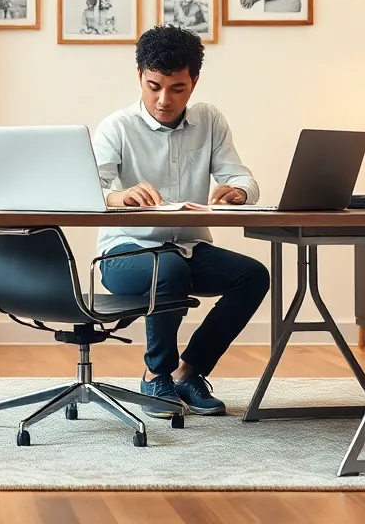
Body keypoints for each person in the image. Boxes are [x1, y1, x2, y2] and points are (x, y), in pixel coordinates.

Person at [90, 25, 269, 418]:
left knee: (253, 276)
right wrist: (118, 197)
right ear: (139, 75)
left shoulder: (209, 121)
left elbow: (241, 177)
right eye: (153, 86)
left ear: (194, 82)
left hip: (188, 249)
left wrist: (238, 192)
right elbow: (87, 190)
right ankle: (156, 375)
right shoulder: (117, 127)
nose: (163, 100)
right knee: (166, 267)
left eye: (177, 89)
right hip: (124, 254)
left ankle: (189, 374)